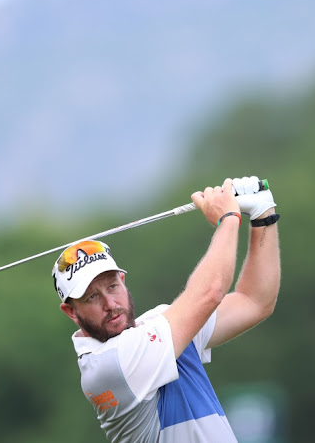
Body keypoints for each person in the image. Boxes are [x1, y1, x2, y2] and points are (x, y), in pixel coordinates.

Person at [52, 176, 281, 442]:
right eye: (92, 297)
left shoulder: (161, 327)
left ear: (123, 282)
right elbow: (211, 292)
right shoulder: (109, 365)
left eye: (112, 286)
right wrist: (228, 218)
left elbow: (254, 301)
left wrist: (263, 216)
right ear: (71, 312)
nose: (110, 304)